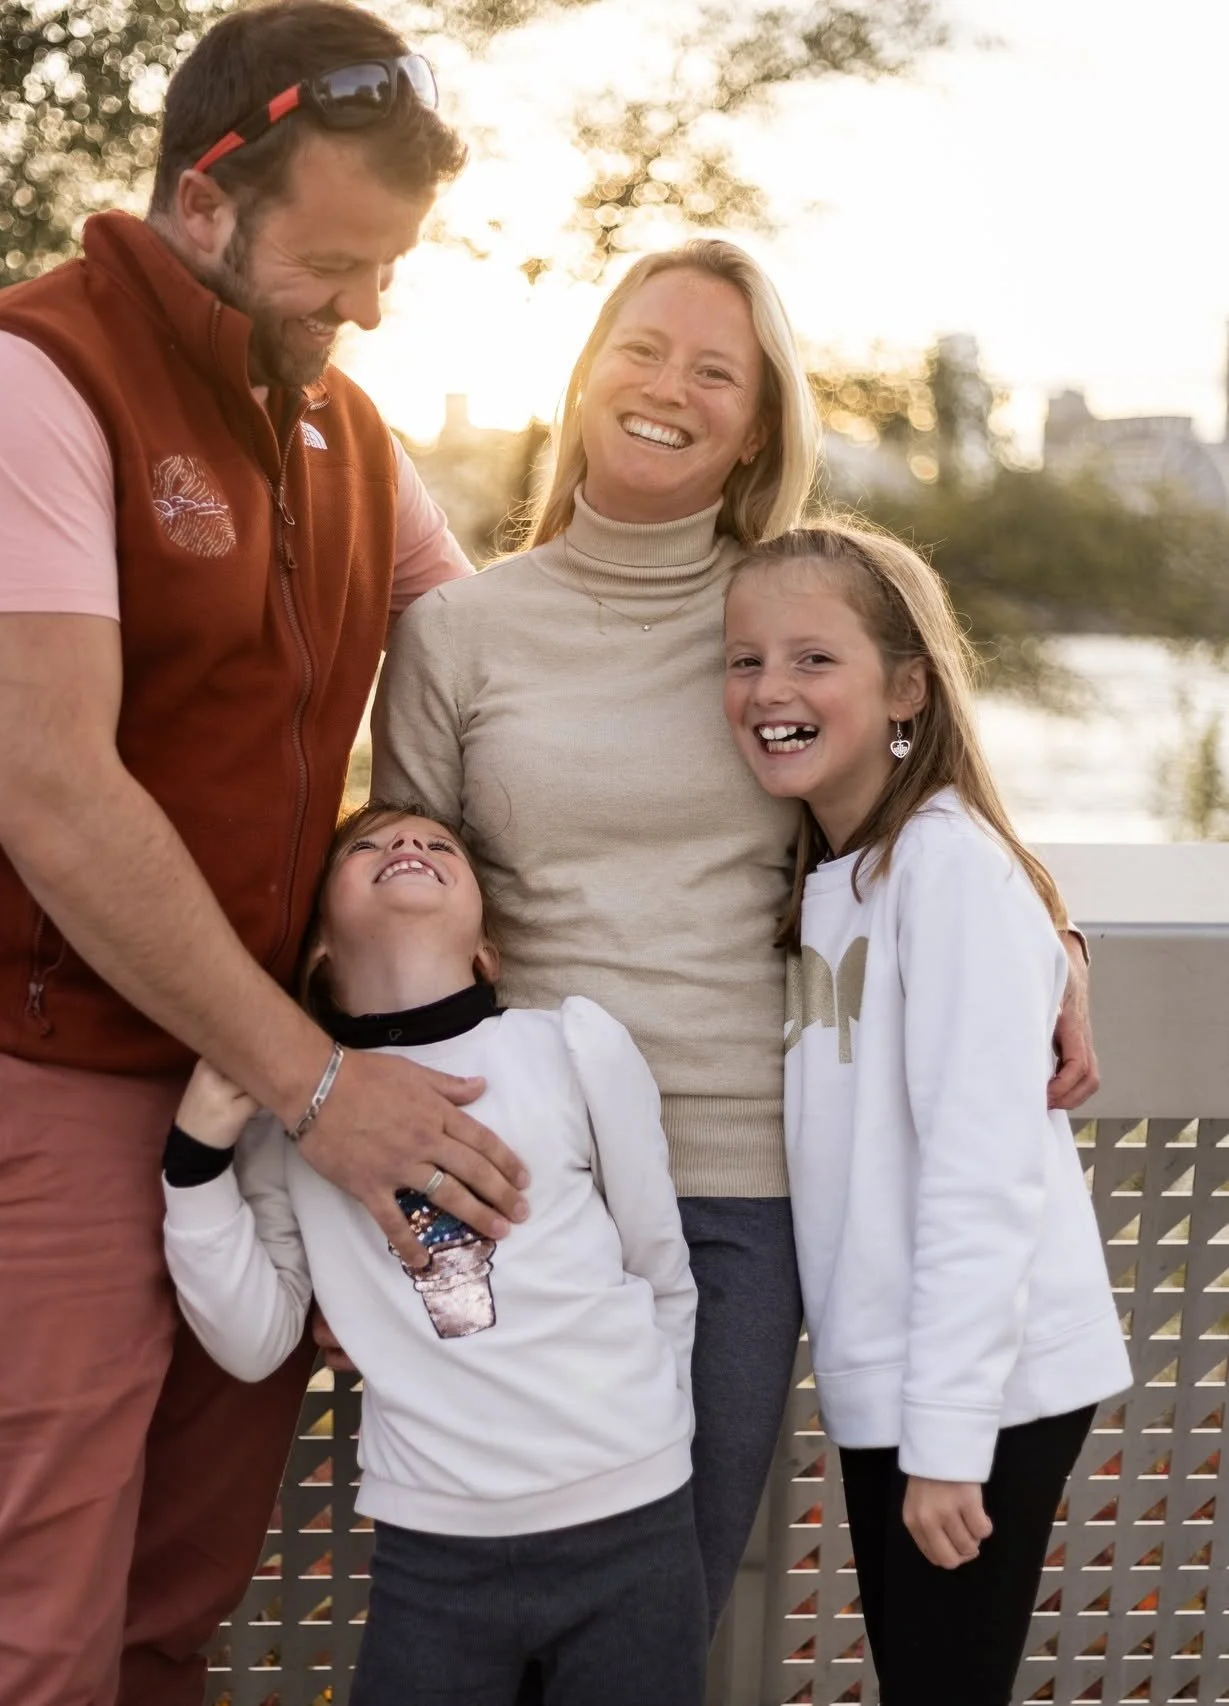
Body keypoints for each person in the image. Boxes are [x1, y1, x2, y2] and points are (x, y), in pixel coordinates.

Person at [0, 7, 531, 1704]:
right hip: (32, 1083)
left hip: (241, 1111)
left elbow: (522, 682)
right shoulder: (21, 377)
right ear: (207, 200)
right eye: (338, 260)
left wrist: (952, 845)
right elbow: (52, 794)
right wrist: (321, 1087)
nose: (370, 305)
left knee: (168, 1629)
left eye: (391, 267)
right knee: (27, 1646)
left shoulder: (351, 436)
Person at [369, 240, 1100, 1626]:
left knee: (661, 1614)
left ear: (758, 422)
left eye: (717, 370)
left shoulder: (779, 622)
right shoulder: (457, 631)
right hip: (521, 1183)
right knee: (471, 1605)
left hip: (738, 1194)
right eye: (639, 350)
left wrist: (1055, 946)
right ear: (584, 376)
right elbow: (393, 907)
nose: (668, 388)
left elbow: (918, 811)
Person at [161, 802, 706, 1706]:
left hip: (632, 1522)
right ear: (320, 950)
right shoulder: (285, 1119)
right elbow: (254, 1339)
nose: (405, 845)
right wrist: (193, 1165)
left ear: (488, 949)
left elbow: (659, 1269)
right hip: (431, 1552)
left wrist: (658, 1441)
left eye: (436, 844)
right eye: (367, 846)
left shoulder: (569, 1046)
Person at [722, 523, 1131, 1704]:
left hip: (975, 1386)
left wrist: (949, 1437)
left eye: (813, 658)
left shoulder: (944, 869)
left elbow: (980, 1170)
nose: (770, 689)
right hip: (902, 1376)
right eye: (744, 658)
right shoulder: (839, 875)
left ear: (907, 685)